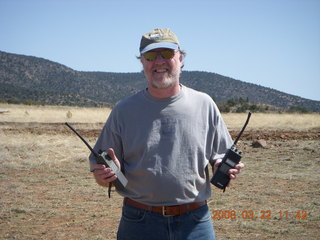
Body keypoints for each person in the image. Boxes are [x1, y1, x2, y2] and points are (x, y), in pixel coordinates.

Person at [89, 28, 244, 240]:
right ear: (142, 62)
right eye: (151, 56)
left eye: (167, 54)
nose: (159, 61)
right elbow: (102, 173)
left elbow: (220, 156)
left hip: (195, 222)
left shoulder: (204, 104)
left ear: (180, 58)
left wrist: (222, 166)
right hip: (139, 222)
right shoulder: (123, 110)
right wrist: (103, 176)